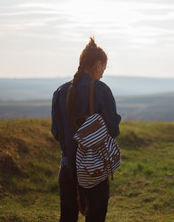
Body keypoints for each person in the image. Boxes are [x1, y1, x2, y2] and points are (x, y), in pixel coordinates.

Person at [51, 37, 121, 222]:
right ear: (98, 64)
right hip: (93, 170)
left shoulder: (60, 91)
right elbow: (113, 130)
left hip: (67, 169)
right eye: (103, 69)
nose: (103, 74)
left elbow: (56, 132)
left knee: (67, 217)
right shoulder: (101, 90)